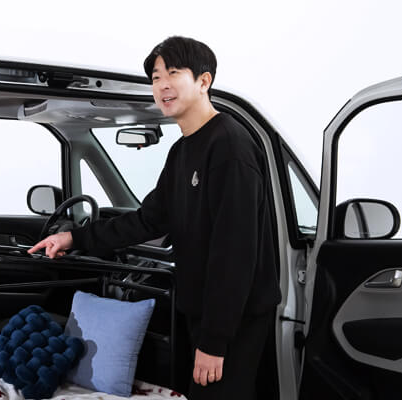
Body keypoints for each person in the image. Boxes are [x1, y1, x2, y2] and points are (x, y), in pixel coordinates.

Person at [28, 36, 281, 399]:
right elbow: (147, 220)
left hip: (235, 319)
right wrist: (74, 237)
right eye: (156, 77)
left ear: (204, 81)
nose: (162, 85)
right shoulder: (182, 151)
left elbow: (235, 254)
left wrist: (214, 342)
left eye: (173, 73)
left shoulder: (230, 146)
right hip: (200, 311)